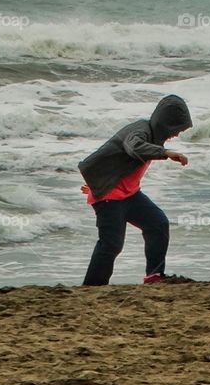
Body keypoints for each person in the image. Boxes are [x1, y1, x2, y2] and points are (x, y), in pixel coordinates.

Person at [79, 94, 192, 286]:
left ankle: (154, 276)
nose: (176, 134)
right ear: (164, 123)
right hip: (110, 196)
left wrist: (99, 181)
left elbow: (117, 161)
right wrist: (165, 153)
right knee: (111, 244)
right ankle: (92, 287)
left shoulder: (153, 135)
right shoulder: (140, 131)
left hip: (129, 194)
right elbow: (134, 147)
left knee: (158, 224)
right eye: (175, 128)